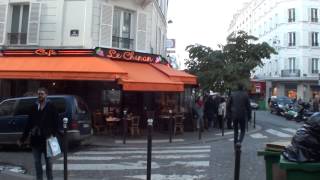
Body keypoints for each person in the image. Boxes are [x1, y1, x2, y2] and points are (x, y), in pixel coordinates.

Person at [18, 87, 59, 180]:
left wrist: (53, 134)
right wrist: (22, 139)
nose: (40, 95)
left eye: (42, 94)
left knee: (49, 163)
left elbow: (56, 123)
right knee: (37, 163)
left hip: (47, 139)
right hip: (35, 139)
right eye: (39, 94)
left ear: (46, 95)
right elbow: (28, 124)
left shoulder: (51, 107)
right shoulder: (33, 107)